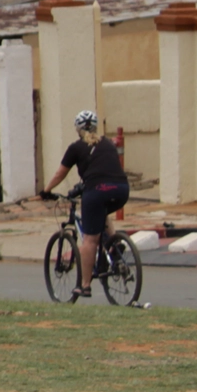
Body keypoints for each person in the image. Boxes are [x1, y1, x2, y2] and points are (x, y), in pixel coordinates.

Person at [42, 110, 128, 302]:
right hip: (121, 190)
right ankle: (114, 247)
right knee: (102, 213)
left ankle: (85, 286)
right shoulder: (108, 144)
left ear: (78, 129)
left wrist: (46, 190)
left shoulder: (76, 147)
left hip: (97, 191)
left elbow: (60, 174)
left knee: (90, 240)